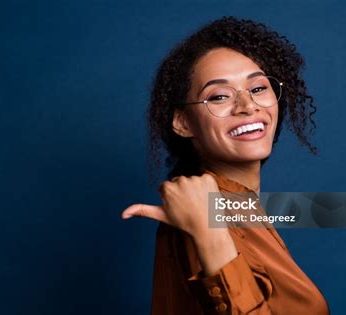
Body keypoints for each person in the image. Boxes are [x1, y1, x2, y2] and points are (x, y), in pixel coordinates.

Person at [121, 16, 329, 315]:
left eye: (258, 88)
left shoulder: (239, 207)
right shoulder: (203, 213)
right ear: (182, 122)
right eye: (219, 96)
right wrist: (210, 235)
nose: (247, 106)